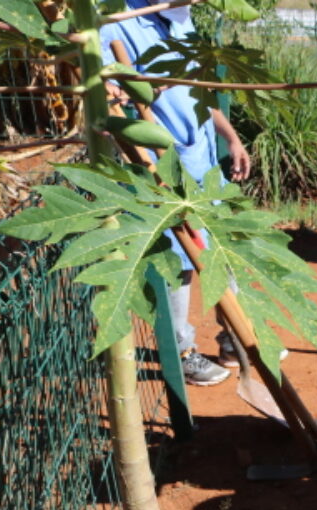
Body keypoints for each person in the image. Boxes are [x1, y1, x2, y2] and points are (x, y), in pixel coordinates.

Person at [101, 0, 253, 386]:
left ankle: (235, 339)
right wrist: (131, 91)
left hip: (202, 162)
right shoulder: (116, 24)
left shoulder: (180, 21)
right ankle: (183, 351)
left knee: (218, 248)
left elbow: (198, 97)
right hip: (162, 167)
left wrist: (231, 138)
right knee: (178, 264)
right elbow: (109, 102)